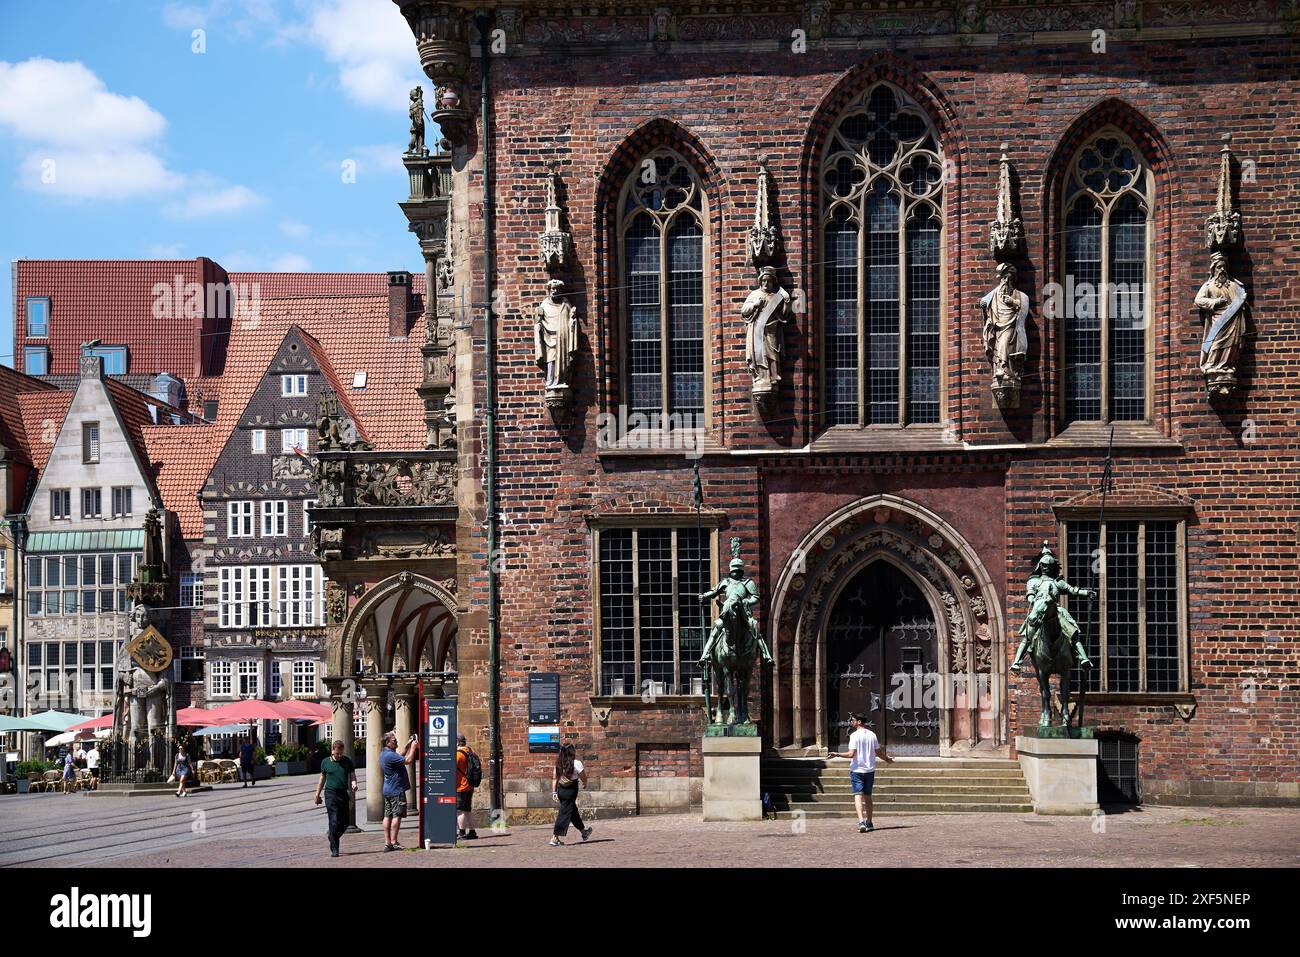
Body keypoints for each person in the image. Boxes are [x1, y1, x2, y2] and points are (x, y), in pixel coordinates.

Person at [827, 713, 894, 833]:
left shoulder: (854, 736)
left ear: (858, 722)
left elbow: (851, 754)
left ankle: (861, 821)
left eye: (853, 720)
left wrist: (837, 754)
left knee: (858, 795)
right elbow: (878, 752)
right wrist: (887, 759)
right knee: (868, 796)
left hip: (857, 770)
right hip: (869, 770)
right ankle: (870, 822)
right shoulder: (872, 734)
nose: (851, 722)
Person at [314, 740, 358, 858]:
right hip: (330, 793)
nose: (339, 756)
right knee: (333, 820)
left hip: (343, 793)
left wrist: (354, 783)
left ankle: (332, 836)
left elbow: (352, 774)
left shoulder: (347, 761)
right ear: (332, 751)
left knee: (345, 822)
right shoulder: (325, 762)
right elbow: (322, 778)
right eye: (337, 753)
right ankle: (335, 849)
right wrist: (317, 795)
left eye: (341, 753)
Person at [380, 731, 419, 852]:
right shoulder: (390, 756)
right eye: (394, 741)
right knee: (397, 816)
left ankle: (387, 843)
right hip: (396, 790)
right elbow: (408, 760)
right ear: (387, 743)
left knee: (387, 815)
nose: (396, 742)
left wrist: (407, 746)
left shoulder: (385, 754)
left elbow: (400, 756)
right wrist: (413, 748)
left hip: (388, 790)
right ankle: (393, 841)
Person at [548, 743, 592, 846]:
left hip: (561, 789)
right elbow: (583, 776)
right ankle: (555, 837)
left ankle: (584, 832)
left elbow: (555, 778)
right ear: (572, 752)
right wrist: (585, 783)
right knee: (564, 813)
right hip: (570, 790)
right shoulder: (576, 763)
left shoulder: (559, 763)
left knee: (573, 812)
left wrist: (554, 792)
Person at [455, 733, 480, 841]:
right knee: (468, 810)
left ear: (457, 742)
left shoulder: (458, 754)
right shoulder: (471, 751)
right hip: (470, 785)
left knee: (460, 810)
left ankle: (461, 833)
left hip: (460, 786)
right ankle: (472, 831)